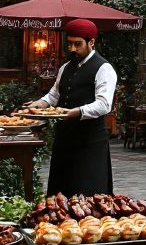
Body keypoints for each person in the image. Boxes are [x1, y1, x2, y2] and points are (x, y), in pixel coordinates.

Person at [26, 18, 116, 197]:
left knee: (87, 194)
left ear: (91, 42)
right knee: (61, 193)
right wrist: (40, 103)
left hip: (89, 142)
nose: (73, 49)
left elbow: (104, 104)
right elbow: (54, 95)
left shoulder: (104, 68)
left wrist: (77, 112)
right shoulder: (66, 67)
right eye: (69, 44)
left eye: (77, 44)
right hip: (64, 139)